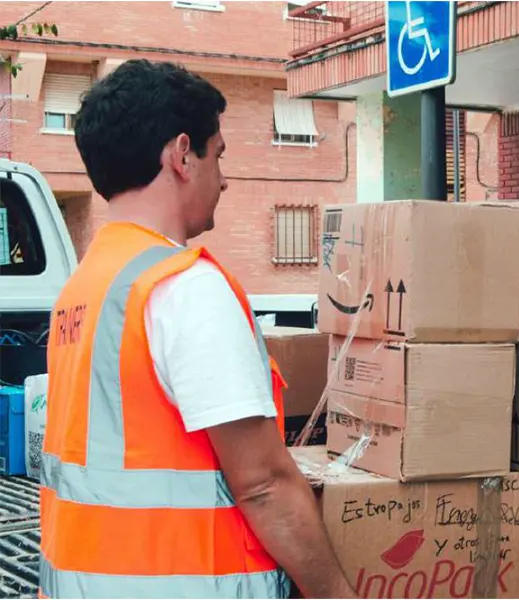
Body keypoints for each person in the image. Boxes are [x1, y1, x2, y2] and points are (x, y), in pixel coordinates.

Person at [40, 59, 356, 599]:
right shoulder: (185, 288)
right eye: (220, 155)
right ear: (182, 155)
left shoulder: (86, 285)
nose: (226, 179)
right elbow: (262, 484)